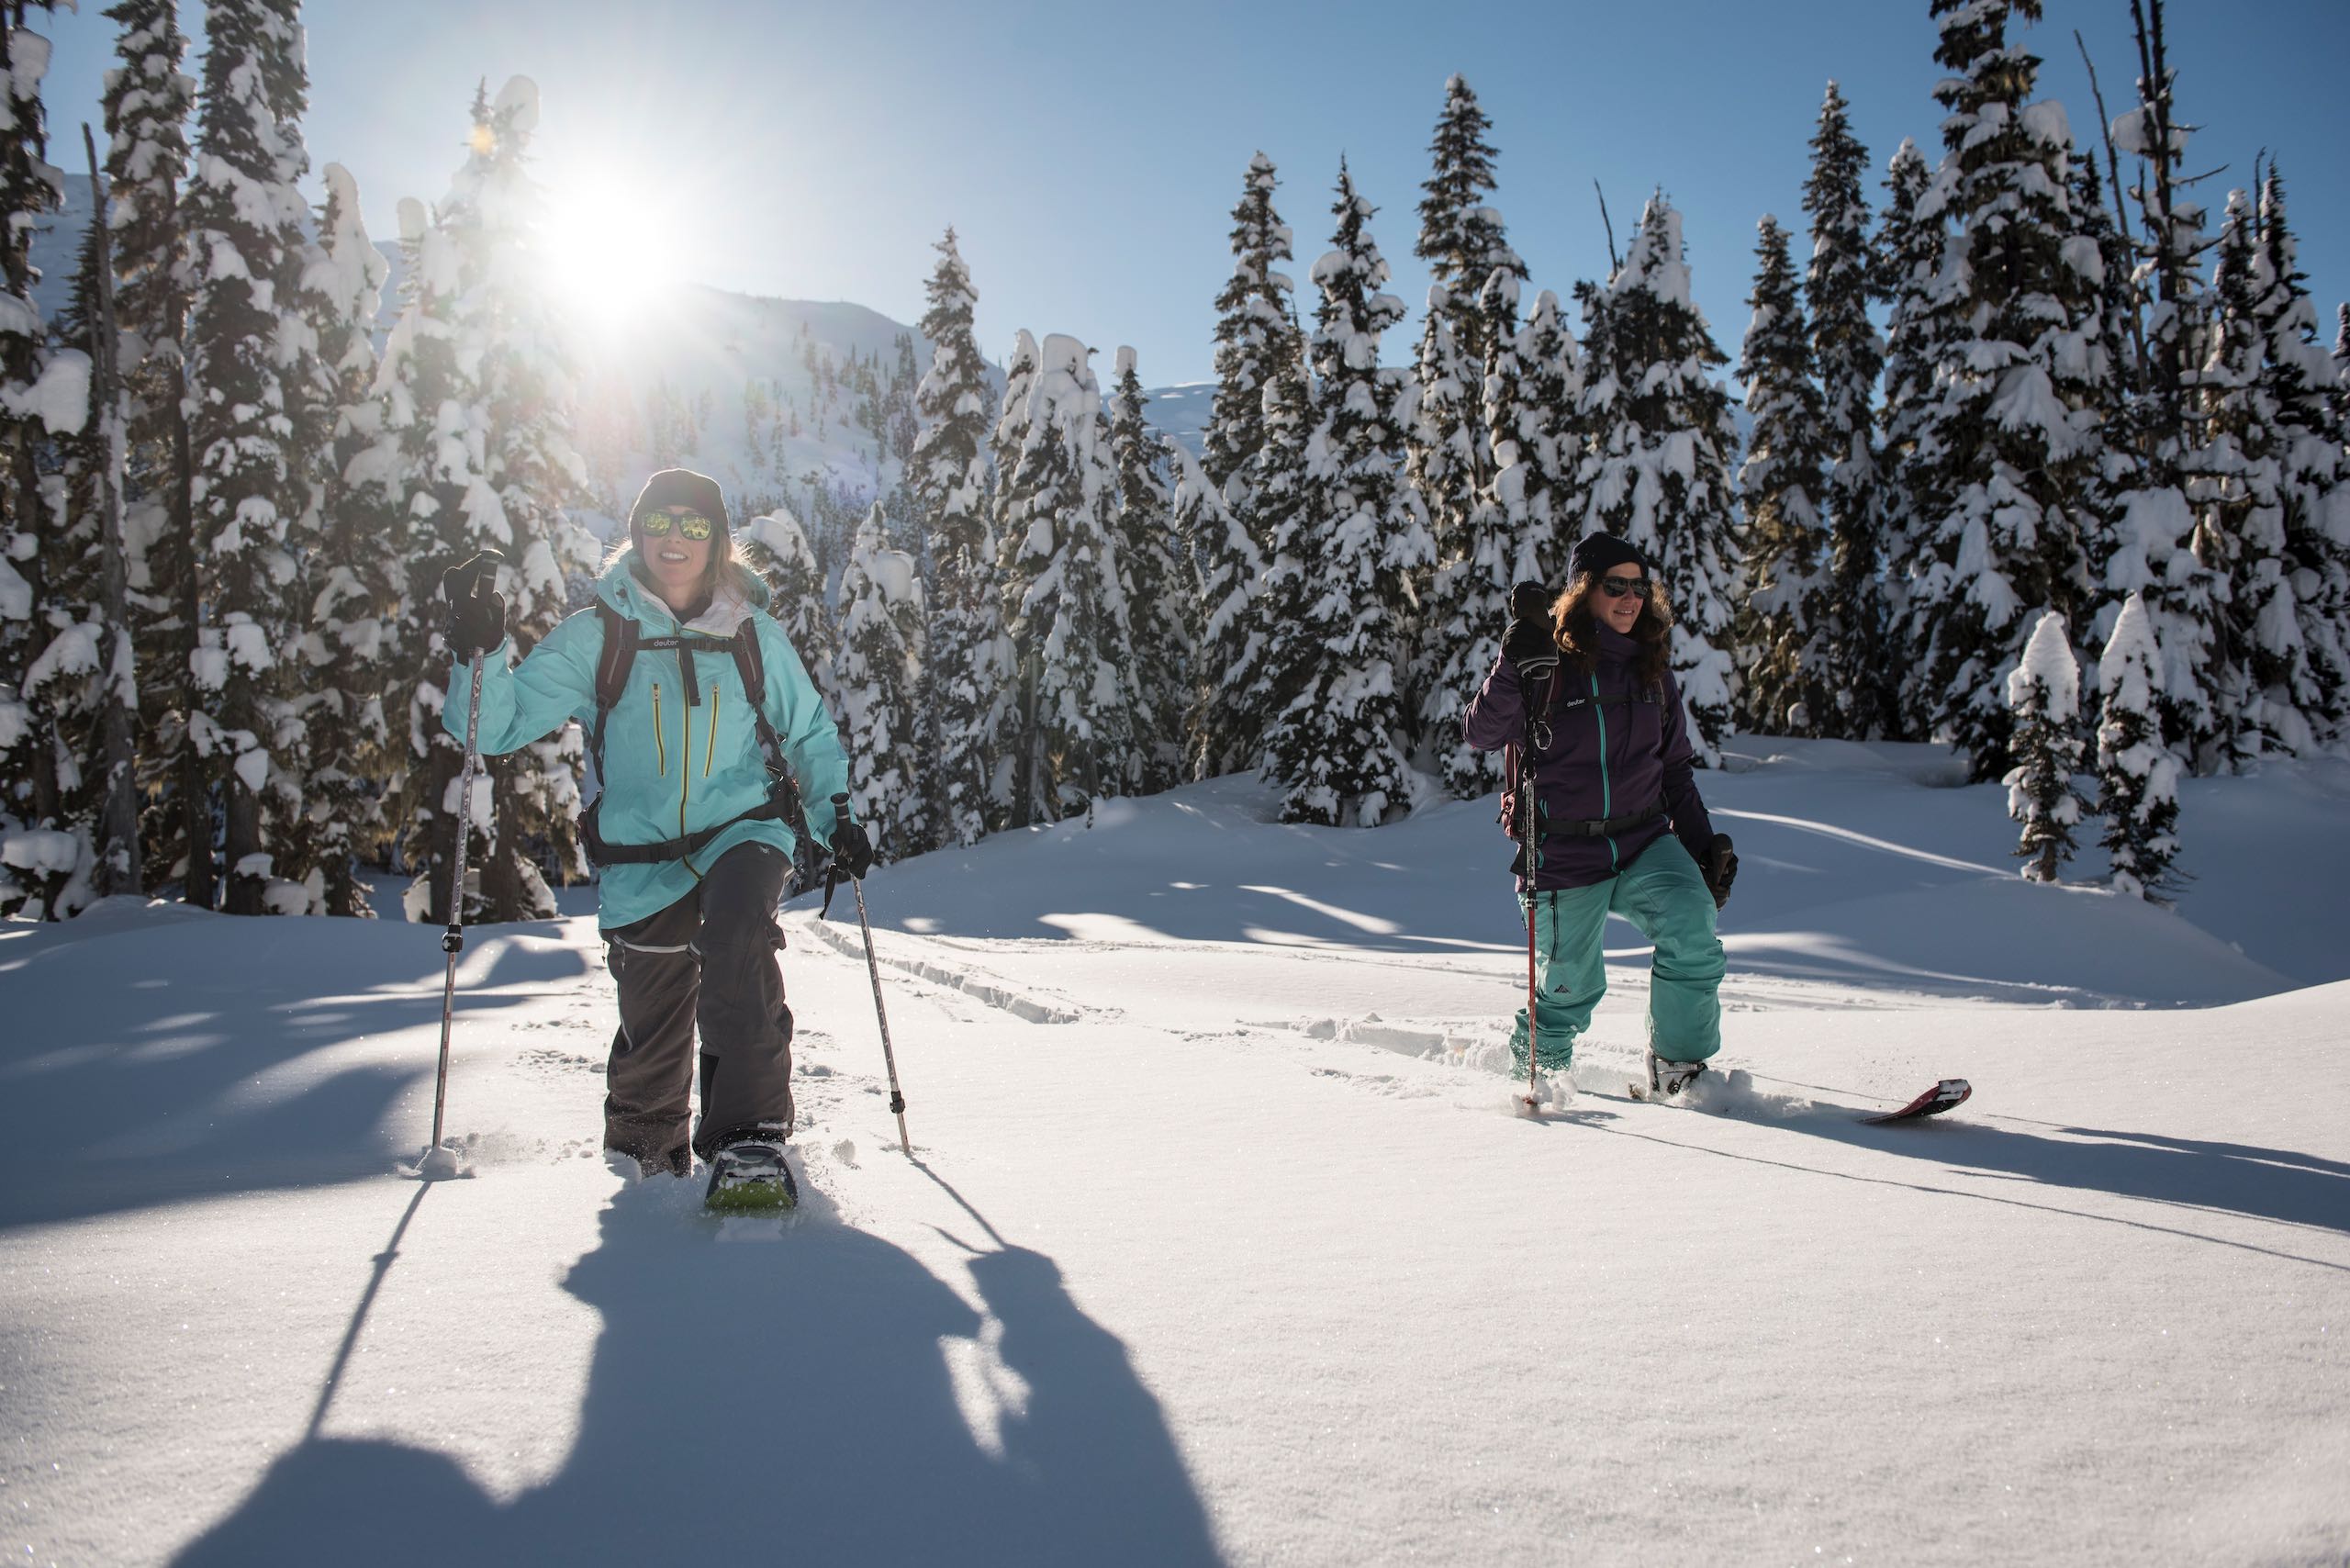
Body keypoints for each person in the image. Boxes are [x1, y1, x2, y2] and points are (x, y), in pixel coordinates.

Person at [441, 468, 872, 1210]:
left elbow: (807, 734)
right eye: (661, 523)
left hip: (743, 828)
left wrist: (837, 819)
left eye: (695, 526)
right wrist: (478, 655)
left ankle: (750, 1137)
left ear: (719, 542)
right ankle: (647, 1151)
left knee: (738, 938)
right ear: (638, 535)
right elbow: (495, 727)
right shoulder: (597, 636)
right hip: (640, 850)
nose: (676, 539)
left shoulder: (752, 634)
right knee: (655, 1005)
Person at [1461, 534, 1738, 1100]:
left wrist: (1702, 844)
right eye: (1616, 585)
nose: (1631, 597)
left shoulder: (1651, 669)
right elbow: (1482, 733)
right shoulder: (1545, 662)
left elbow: (1675, 770)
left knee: (1693, 924)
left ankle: (1680, 1071)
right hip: (1562, 850)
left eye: (1639, 586)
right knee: (1571, 987)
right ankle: (1537, 1083)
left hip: (1642, 838)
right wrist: (1512, 663)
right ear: (1583, 592)